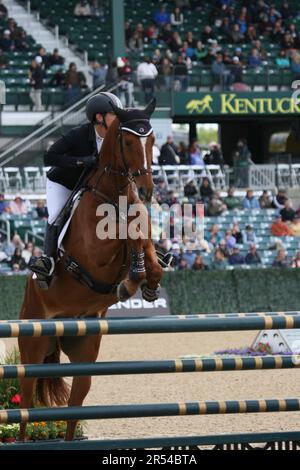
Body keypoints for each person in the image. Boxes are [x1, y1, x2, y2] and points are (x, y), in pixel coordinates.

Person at [29, 92, 123, 285]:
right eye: (114, 114)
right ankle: (47, 262)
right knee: (56, 215)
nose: (118, 118)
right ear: (99, 117)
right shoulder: (79, 134)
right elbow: (50, 157)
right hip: (63, 183)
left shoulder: (117, 137)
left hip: (91, 187)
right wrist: (81, 161)